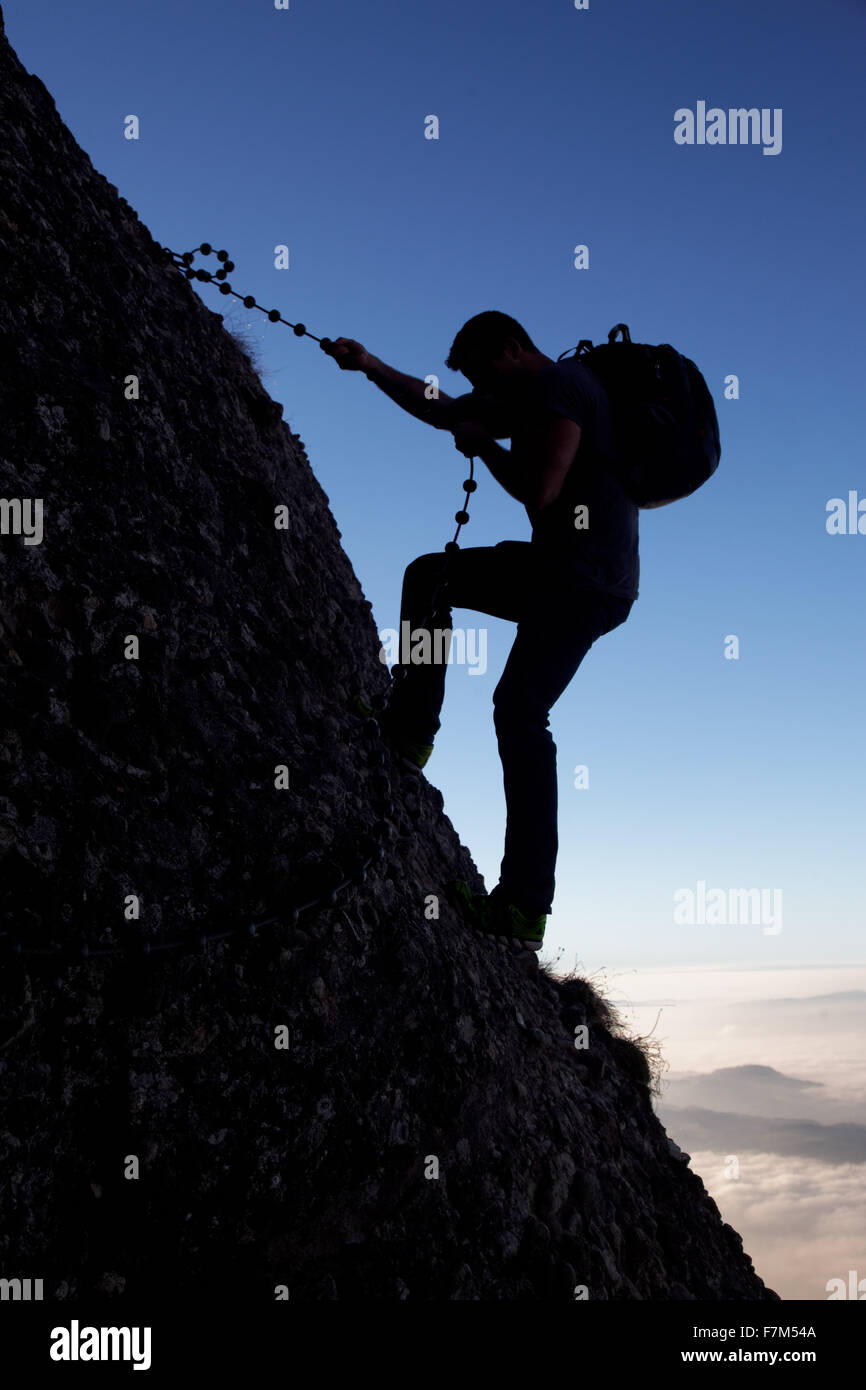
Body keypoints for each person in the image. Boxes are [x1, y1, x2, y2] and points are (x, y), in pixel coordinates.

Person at [323, 311, 638, 949]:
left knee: (520, 714)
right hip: (562, 571)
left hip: (586, 586)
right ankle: (409, 731)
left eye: (480, 372)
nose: (478, 389)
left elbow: (541, 494)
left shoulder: (564, 389)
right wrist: (372, 366)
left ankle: (524, 906)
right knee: (431, 578)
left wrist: (485, 444)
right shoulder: (527, 396)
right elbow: (446, 409)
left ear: (512, 350)